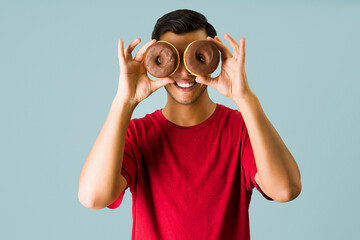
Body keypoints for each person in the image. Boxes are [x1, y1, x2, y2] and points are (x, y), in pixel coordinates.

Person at [78, 9, 302, 240]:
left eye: (197, 57)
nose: (185, 72)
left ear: (214, 57)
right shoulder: (137, 134)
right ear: (153, 59)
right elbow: (93, 197)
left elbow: (285, 189)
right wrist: (123, 102)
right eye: (171, 58)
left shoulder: (241, 129)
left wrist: (245, 98)